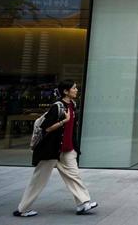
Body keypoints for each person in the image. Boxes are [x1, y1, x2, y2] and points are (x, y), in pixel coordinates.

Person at [13, 80, 98, 217]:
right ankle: (22, 209)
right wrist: (64, 121)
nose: (77, 90)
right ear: (66, 91)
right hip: (51, 150)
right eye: (74, 88)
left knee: (74, 176)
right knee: (38, 180)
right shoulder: (57, 107)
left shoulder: (73, 105)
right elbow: (46, 128)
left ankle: (83, 203)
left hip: (67, 150)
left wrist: (74, 148)